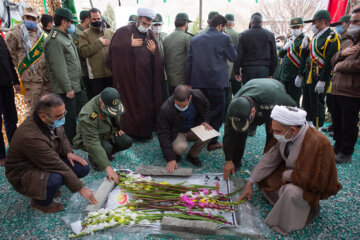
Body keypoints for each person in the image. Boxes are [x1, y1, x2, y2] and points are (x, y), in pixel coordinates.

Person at [238, 105, 341, 235]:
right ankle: (289, 205)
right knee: (265, 176)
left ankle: (303, 213)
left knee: (290, 192)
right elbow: (270, 158)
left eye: (278, 131)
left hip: (309, 183)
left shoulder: (318, 142)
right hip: (294, 174)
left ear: (292, 130)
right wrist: (250, 182)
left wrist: (288, 175)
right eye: (273, 130)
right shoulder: (287, 134)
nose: (275, 135)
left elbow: (318, 178)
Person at [5, 94, 97, 213]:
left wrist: (68, 152)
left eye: (64, 113)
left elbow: (62, 136)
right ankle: (40, 203)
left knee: (81, 168)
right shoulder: (31, 137)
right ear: (43, 116)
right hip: (24, 172)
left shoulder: (52, 120)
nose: (63, 117)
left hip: (43, 161)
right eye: (59, 116)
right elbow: (56, 165)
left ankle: (47, 188)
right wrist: (81, 188)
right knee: (55, 179)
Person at [107, 7, 163, 140]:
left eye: (149, 25)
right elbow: (112, 52)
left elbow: (158, 59)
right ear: (138, 19)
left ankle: (145, 132)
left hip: (145, 80)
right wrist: (128, 44)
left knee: (145, 105)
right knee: (130, 105)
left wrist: (155, 52)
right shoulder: (123, 32)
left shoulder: (150, 34)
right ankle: (131, 132)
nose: (146, 27)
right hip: (129, 79)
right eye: (144, 23)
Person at [222, 79, 296, 179]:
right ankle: (236, 162)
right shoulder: (233, 109)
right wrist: (228, 160)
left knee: (273, 134)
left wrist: (275, 121)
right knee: (239, 134)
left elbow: (294, 107)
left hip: (271, 92)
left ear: (253, 111)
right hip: (252, 89)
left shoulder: (275, 99)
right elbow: (228, 135)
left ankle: (268, 161)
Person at [186, 14, 237, 151]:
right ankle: (212, 141)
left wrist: (188, 81)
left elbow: (188, 61)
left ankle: (198, 138)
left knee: (200, 110)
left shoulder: (195, 39)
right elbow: (233, 57)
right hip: (217, 82)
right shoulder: (225, 38)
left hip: (198, 81)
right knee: (217, 112)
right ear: (220, 26)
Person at [44, 8, 87, 145]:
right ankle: (70, 143)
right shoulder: (55, 40)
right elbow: (59, 68)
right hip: (67, 89)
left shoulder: (65, 36)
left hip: (76, 85)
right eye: (71, 23)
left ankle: (78, 138)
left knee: (82, 113)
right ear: (64, 22)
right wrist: (68, 88)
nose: (72, 25)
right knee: (69, 119)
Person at [73, 87, 133, 182]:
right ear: (101, 103)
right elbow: (92, 142)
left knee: (127, 141)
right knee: (106, 148)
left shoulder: (109, 98)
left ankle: (104, 154)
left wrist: (117, 129)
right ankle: (95, 158)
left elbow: (114, 117)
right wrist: (107, 167)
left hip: (108, 132)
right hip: (91, 138)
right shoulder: (89, 115)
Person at [295, 10, 340, 128]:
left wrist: (323, 80)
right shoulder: (315, 37)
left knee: (317, 104)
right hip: (309, 76)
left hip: (319, 77)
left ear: (321, 22)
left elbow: (329, 61)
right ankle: (308, 127)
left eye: (314, 23)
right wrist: (300, 74)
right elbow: (308, 58)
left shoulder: (332, 37)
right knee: (307, 104)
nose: (312, 26)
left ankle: (317, 130)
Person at [6, 7, 52, 116]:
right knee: (33, 111)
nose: (30, 21)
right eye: (28, 17)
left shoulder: (43, 34)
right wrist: (15, 81)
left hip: (47, 79)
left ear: (38, 20)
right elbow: (9, 59)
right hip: (30, 81)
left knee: (49, 109)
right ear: (23, 17)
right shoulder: (14, 34)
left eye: (33, 18)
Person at [157, 85, 212, 172]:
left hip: (193, 128)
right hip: (177, 132)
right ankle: (176, 153)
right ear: (174, 98)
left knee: (209, 133)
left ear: (190, 97)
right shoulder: (166, 108)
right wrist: (170, 158)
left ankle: (192, 155)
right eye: (179, 106)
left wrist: (205, 121)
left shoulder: (198, 95)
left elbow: (206, 106)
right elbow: (163, 133)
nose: (181, 108)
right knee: (180, 148)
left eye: (184, 105)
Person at [330, 7, 360, 164]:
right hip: (337, 88)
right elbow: (333, 59)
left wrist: (340, 66)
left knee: (348, 123)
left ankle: (346, 152)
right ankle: (338, 146)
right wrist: (342, 54)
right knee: (337, 121)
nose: (352, 24)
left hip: (352, 91)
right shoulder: (348, 41)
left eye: (356, 22)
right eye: (351, 21)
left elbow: (357, 64)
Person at [233, 12, 278, 85]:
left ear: (251, 23)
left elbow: (238, 55)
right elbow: (274, 56)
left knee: (249, 94)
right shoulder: (270, 35)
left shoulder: (243, 35)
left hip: (248, 70)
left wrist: (237, 72)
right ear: (261, 23)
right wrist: (271, 73)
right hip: (264, 70)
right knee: (262, 94)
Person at [79, 8, 114, 96]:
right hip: (96, 75)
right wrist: (99, 43)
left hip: (110, 73)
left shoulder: (110, 33)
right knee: (99, 100)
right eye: (94, 19)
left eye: (98, 18)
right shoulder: (85, 34)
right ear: (89, 19)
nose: (97, 21)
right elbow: (83, 52)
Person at [0, 36, 20, 165]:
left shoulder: (0, 39)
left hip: (6, 85)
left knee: (12, 118)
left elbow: (8, 60)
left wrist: (15, 81)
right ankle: (1, 155)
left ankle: (15, 150)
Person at [278, 18, 306, 106]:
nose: (295, 29)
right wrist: (284, 48)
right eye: (293, 27)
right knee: (283, 101)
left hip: (295, 76)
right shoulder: (288, 39)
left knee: (294, 102)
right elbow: (281, 55)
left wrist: (300, 75)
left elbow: (304, 60)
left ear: (302, 27)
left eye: (297, 27)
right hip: (285, 75)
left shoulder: (304, 40)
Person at [163, 13, 193, 95]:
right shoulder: (187, 37)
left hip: (170, 80)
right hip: (183, 82)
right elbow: (191, 60)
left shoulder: (167, 38)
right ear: (186, 23)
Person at [72, 10, 93, 100]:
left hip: (91, 70)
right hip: (83, 70)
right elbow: (81, 52)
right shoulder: (76, 33)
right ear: (87, 19)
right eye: (93, 19)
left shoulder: (90, 31)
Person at [152, 13, 169, 102]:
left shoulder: (166, 36)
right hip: (154, 75)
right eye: (155, 24)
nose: (157, 27)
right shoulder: (148, 37)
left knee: (166, 97)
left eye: (159, 24)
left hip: (166, 74)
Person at [224, 13, 241, 95]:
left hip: (223, 69)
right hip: (235, 68)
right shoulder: (239, 35)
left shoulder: (222, 33)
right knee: (237, 93)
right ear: (233, 24)